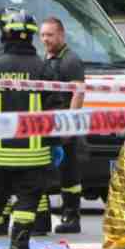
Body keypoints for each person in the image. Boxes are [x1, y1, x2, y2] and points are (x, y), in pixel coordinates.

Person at [0, 9, 63, 249]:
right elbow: (54, 112)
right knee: (28, 198)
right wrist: (56, 145)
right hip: (33, 154)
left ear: (4, 33)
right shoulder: (43, 68)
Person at [36, 16, 85, 235]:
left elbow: (78, 92)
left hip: (64, 125)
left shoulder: (70, 60)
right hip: (48, 125)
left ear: (61, 35)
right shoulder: (45, 59)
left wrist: (70, 124)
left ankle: (71, 217)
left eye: (50, 35)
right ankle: (46, 216)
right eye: (43, 35)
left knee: (69, 174)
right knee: (47, 172)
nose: (45, 39)